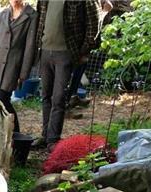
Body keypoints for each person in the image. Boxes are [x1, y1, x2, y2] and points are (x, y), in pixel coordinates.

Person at [33, 0, 100, 150]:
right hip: (44, 51)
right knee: (45, 95)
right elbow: (39, 20)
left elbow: (94, 23)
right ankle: (45, 136)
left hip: (66, 53)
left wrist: (84, 50)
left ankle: (53, 139)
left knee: (58, 97)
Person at [0, 0, 37, 134]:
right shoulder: (2, 14)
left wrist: (23, 73)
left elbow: (30, 47)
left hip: (13, 64)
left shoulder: (32, 16)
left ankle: (15, 133)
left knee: (3, 99)